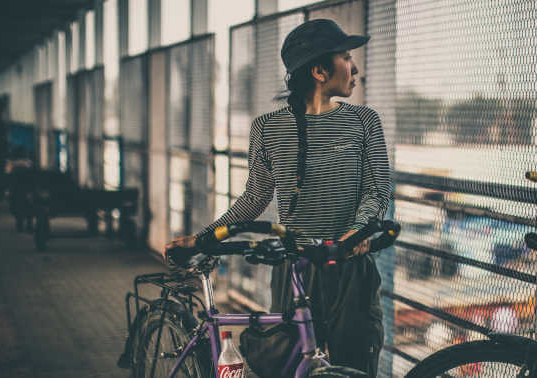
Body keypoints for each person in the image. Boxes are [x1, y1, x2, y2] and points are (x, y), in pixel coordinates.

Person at [163, 19, 392, 376]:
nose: (355, 67)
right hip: (294, 267)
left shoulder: (364, 121)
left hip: (350, 266)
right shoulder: (267, 128)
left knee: (355, 368)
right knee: (291, 367)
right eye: (346, 57)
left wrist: (358, 232)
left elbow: (377, 189)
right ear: (319, 70)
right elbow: (254, 198)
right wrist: (203, 238)